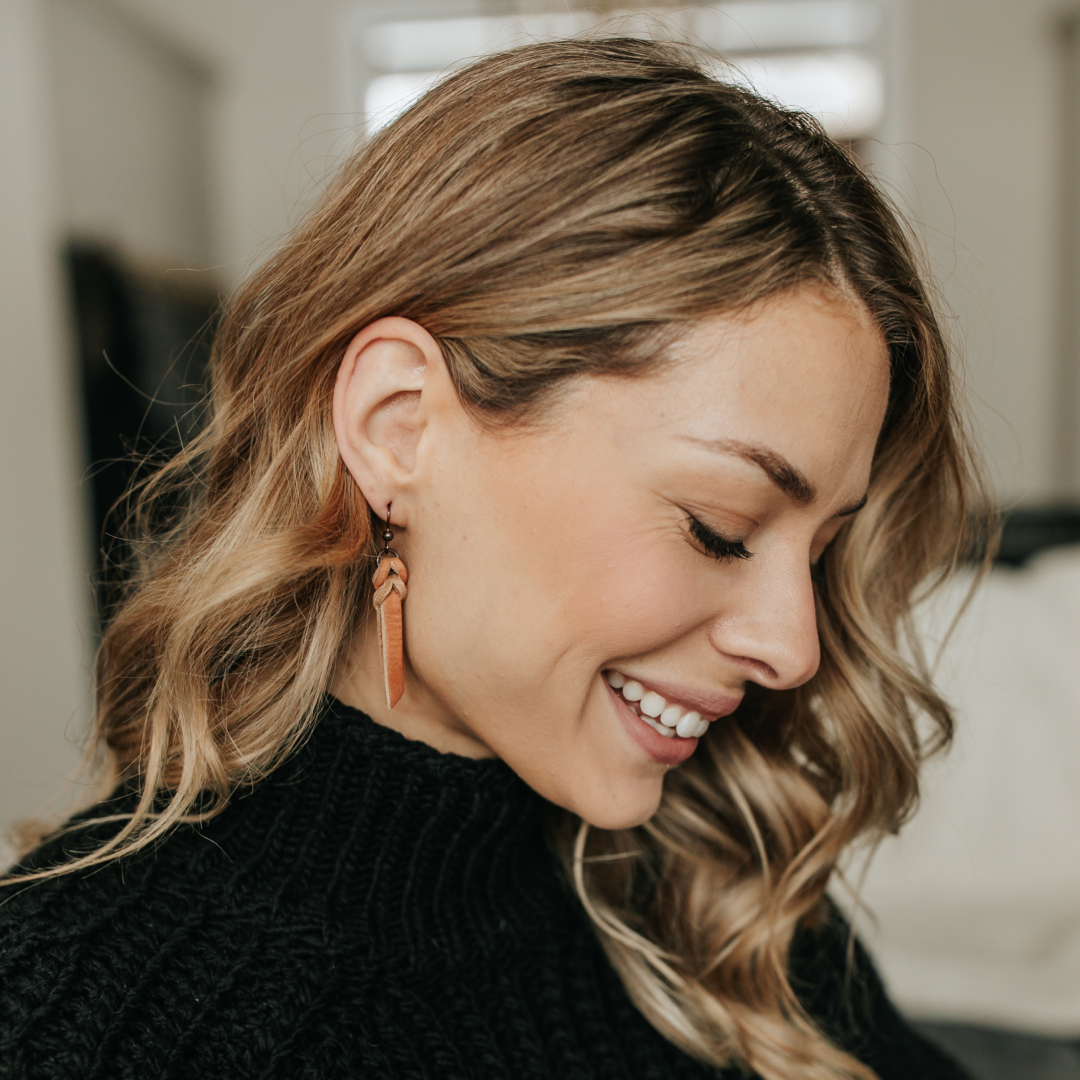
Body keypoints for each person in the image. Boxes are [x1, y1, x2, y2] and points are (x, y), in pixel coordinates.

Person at [0, 36, 985, 1080]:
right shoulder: (78, 1025)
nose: (794, 648)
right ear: (397, 426)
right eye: (721, 527)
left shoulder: (723, 902)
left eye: (823, 552)